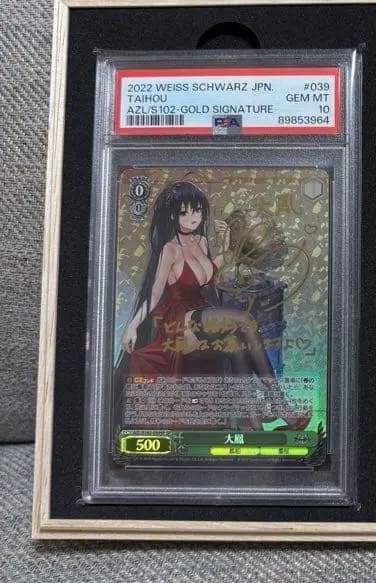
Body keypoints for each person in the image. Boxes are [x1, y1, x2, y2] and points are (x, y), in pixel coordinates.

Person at [121, 178, 309, 429]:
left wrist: (225, 243)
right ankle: (278, 403)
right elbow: (154, 294)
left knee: (237, 347)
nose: (193, 218)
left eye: (197, 210)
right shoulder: (170, 250)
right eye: (184, 213)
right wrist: (132, 325)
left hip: (203, 315)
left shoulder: (200, 241)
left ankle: (251, 425)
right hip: (180, 324)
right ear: (173, 215)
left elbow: (211, 273)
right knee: (244, 320)